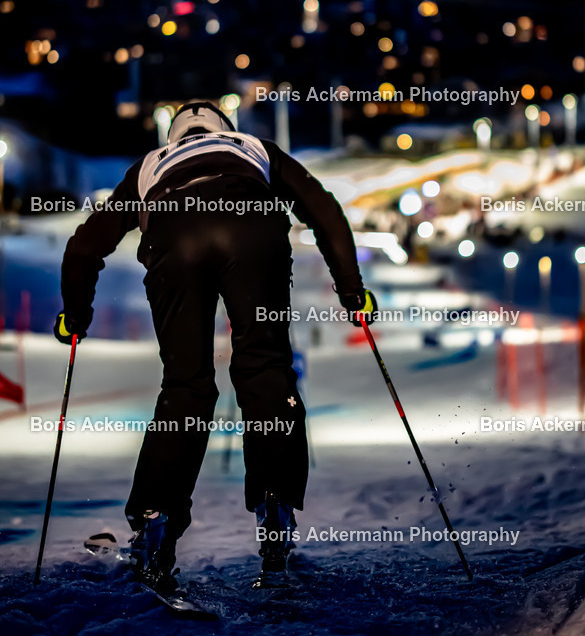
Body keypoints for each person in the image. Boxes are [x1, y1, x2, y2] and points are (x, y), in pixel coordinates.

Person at [54, 101, 377, 590]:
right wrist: (353, 291)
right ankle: (276, 516)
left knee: (186, 385)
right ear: (225, 130)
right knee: (265, 368)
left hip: (174, 234)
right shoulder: (253, 148)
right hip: (253, 228)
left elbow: (82, 249)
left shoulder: (149, 166)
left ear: (173, 138)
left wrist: (75, 317)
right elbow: (323, 210)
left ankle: (155, 526)